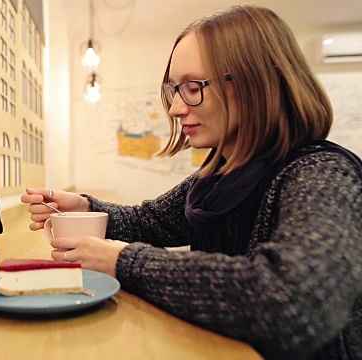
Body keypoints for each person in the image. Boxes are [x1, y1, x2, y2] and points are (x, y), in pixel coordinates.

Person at [21, 5, 361, 360]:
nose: (175, 109)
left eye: (193, 87)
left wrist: (126, 263)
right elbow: (148, 223)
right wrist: (86, 207)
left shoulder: (322, 174)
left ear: (255, 82)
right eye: (174, 90)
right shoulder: (219, 174)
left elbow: (295, 303)